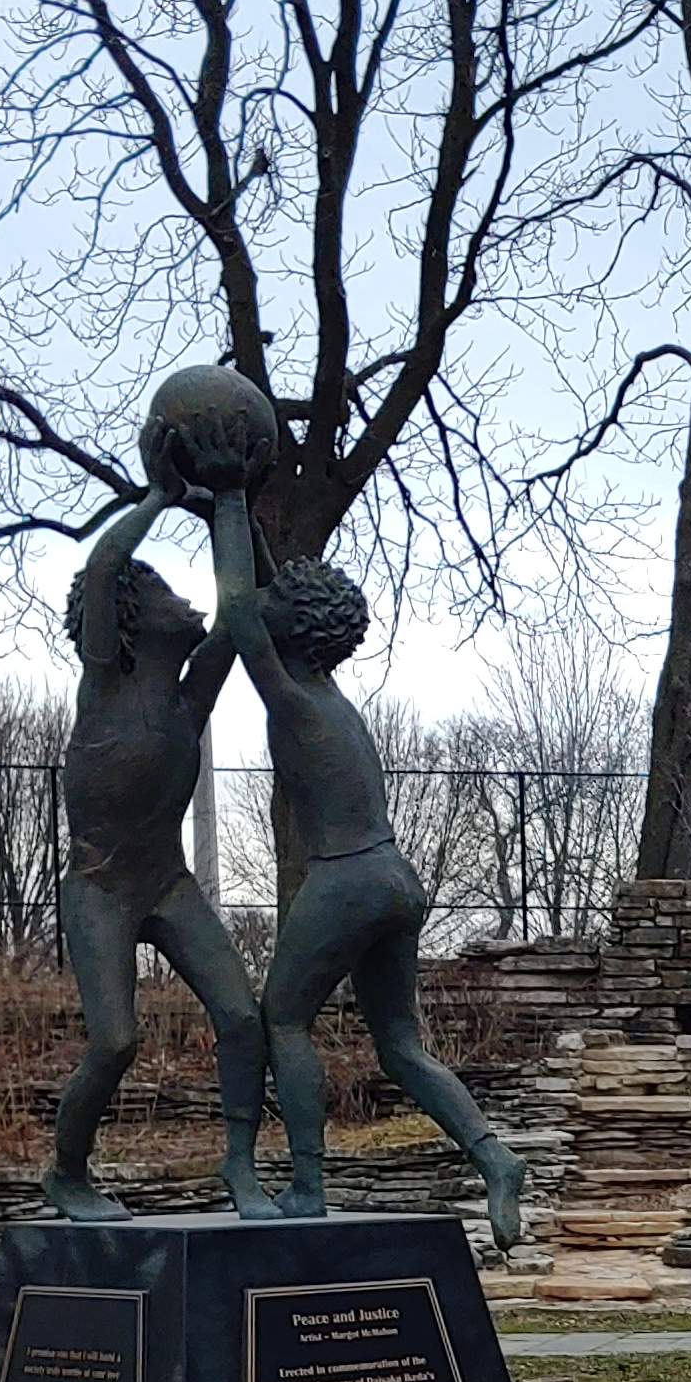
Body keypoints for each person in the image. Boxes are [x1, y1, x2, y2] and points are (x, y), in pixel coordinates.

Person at [190, 470, 529, 1245]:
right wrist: (229, 517)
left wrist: (234, 500)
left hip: (347, 878)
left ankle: (308, 1183)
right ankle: (495, 1158)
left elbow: (244, 610)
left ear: (294, 634)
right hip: (395, 880)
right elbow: (271, 595)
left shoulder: (294, 695)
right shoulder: (328, 693)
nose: (268, 603)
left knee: (282, 1019)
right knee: (401, 1044)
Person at [44, 451, 272, 1220]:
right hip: (101, 885)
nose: (191, 606)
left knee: (243, 1017)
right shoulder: (106, 675)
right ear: (138, 615)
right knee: (115, 1043)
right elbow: (108, 562)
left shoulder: (188, 699)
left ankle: (239, 1166)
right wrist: (160, 497)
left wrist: (231, 505)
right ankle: (68, 1174)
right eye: (171, 592)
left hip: (166, 883)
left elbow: (241, 604)